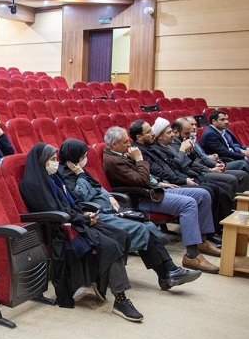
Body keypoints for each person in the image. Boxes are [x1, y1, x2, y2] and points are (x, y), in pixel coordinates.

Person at [20, 142, 143, 321]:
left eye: (56, 159)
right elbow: (55, 211)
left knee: (121, 235)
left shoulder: (54, 177)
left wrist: (85, 213)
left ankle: (101, 278)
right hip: (60, 229)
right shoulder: (33, 184)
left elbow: (71, 201)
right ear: (42, 160)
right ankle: (121, 299)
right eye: (52, 159)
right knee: (110, 246)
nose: (56, 163)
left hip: (75, 220)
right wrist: (83, 218)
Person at [58, 139, 201, 291]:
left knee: (147, 225)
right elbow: (80, 196)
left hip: (111, 211)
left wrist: (109, 196)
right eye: (82, 157)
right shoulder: (67, 175)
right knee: (142, 229)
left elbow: (97, 186)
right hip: (96, 216)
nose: (85, 159)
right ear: (72, 159)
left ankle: (168, 273)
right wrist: (80, 175)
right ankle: (168, 273)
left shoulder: (80, 171)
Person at [102, 126, 220, 273]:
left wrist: (160, 183)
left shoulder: (122, 153)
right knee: (188, 204)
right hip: (143, 198)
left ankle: (202, 241)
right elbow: (140, 180)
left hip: (154, 189)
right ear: (114, 144)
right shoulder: (113, 161)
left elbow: (145, 177)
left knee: (203, 194)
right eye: (125, 142)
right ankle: (192, 255)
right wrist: (139, 159)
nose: (129, 144)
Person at [131, 119, 227, 246]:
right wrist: (184, 179)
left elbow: (173, 166)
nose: (153, 133)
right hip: (162, 187)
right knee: (207, 191)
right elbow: (160, 173)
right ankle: (200, 241)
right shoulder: (139, 152)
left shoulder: (150, 147)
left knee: (211, 190)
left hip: (174, 179)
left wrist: (188, 158)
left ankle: (208, 235)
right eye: (149, 132)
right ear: (139, 137)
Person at [172, 117, 249, 192]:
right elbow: (188, 164)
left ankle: (239, 198)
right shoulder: (177, 145)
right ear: (176, 132)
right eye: (186, 133)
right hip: (197, 173)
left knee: (242, 174)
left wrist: (215, 164)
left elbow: (200, 157)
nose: (189, 135)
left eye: (195, 125)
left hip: (205, 168)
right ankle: (237, 199)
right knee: (232, 178)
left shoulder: (187, 140)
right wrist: (210, 170)